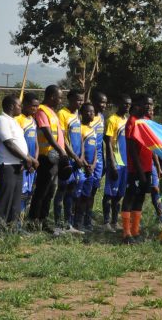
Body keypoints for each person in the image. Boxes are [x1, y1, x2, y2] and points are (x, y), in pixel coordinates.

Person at [0, 95, 37, 231]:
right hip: (6, 165)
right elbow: (9, 144)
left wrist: (30, 158)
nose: (21, 107)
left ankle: (12, 228)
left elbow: (20, 144)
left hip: (18, 165)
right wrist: (26, 158)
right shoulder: (2, 120)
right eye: (19, 105)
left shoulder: (14, 121)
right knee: (4, 199)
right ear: (12, 106)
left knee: (15, 200)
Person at [27, 85, 67, 230]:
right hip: (46, 157)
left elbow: (59, 134)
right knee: (42, 191)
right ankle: (33, 221)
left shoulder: (52, 112)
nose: (61, 100)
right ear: (51, 96)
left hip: (55, 157)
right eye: (59, 97)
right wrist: (60, 150)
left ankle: (43, 220)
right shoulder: (42, 111)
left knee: (50, 191)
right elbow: (47, 133)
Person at [121, 94, 155, 244]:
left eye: (151, 104)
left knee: (140, 197)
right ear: (138, 104)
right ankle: (126, 233)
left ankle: (135, 230)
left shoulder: (147, 121)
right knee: (130, 197)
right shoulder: (132, 122)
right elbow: (132, 150)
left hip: (147, 168)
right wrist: (140, 172)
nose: (148, 106)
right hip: (136, 169)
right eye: (145, 103)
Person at [53, 89, 85, 234]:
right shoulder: (62, 114)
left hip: (77, 160)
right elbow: (63, 139)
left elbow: (81, 137)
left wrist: (81, 157)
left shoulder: (77, 114)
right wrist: (73, 156)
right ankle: (58, 225)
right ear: (70, 99)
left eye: (82, 100)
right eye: (78, 100)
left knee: (71, 191)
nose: (80, 103)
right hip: (67, 159)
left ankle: (68, 224)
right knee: (62, 190)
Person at [102, 95, 131, 232]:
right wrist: (112, 163)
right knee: (109, 193)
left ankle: (115, 221)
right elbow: (107, 142)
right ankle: (106, 222)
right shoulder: (112, 120)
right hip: (115, 162)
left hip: (126, 162)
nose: (127, 106)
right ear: (119, 103)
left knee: (120, 194)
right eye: (125, 103)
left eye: (129, 104)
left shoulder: (127, 120)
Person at [82, 92, 108, 230]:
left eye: (105, 102)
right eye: (100, 102)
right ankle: (78, 217)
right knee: (83, 189)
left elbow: (102, 141)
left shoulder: (102, 118)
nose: (103, 105)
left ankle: (88, 217)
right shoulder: (86, 118)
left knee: (93, 189)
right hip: (86, 159)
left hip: (98, 160)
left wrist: (103, 160)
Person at [73, 103, 97, 230]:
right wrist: (86, 165)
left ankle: (81, 221)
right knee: (77, 195)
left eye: (93, 112)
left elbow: (96, 150)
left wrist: (93, 165)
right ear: (82, 113)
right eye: (88, 112)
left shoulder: (92, 129)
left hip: (90, 169)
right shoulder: (80, 128)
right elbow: (80, 147)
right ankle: (74, 221)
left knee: (86, 196)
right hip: (82, 168)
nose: (91, 114)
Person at [16, 93, 39, 215]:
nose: (35, 109)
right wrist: (29, 159)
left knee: (29, 192)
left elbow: (35, 141)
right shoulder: (18, 119)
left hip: (33, 162)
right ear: (24, 105)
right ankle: (16, 223)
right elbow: (18, 143)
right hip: (23, 161)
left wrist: (36, 158)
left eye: (37, 106)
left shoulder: (32, 120)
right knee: (21, 193)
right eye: (33, 106)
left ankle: (22, 219)